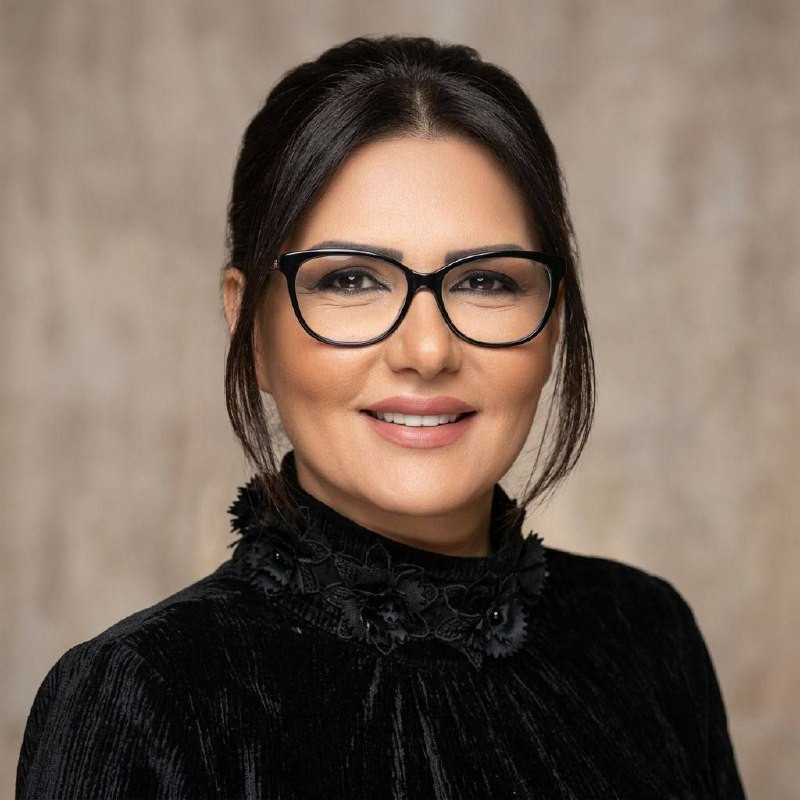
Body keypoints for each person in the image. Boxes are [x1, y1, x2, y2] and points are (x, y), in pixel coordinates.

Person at [16, 35, 746, 799]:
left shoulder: (645, 636)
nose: (427, 350)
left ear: (553, 319)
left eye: (486, 281)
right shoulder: (146, 695)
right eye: (351, 279)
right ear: (249, 329)